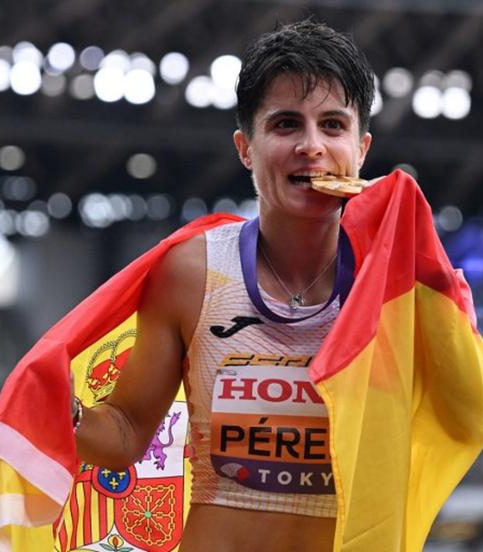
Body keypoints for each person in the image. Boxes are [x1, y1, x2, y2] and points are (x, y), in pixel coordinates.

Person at [74, 19, 374, 551]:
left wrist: (432, 272)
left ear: (361, 148)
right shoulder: (192, 273)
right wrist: (60, 409)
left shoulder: (393, 282)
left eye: (332, 125)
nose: (311, 146)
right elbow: (123, 433)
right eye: (286, 125)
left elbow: (464, 412)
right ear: (245, 147)